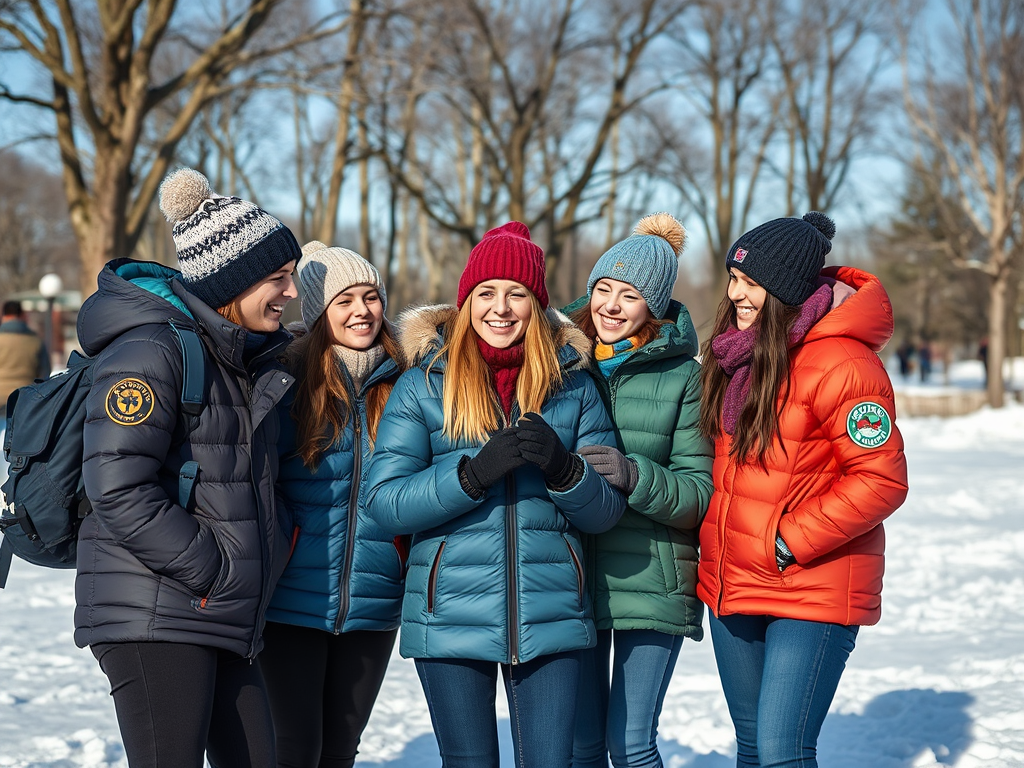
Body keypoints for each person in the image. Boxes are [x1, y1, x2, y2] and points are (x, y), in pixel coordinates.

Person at [365, 222, 626, 768]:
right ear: (466, 302)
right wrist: (470, 476)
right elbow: (384, 501)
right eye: (486, 293)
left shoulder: (573, 387)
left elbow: (605, 511)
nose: (501, 308)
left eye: (517, 294)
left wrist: (564, 469)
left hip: (552, 610)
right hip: (448, 612)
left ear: (537, 305)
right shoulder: (423, 385)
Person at [75, 168, 301, 768]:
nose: (292, 293)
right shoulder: (152, 350)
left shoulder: (238, 358)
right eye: (279, 278)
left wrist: (266, 552)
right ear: (236, 280)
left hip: (217, 609)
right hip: (157, 609)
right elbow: (116, 484)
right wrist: (213, 570)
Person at [697, 211, 909, 768]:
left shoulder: (843, 361)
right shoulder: (736, 357)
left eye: (750, 283)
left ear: (787, 292)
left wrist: (786, 542)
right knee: (751, 749)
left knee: (781, 751)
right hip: (735, 582)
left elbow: (880, 478)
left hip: (808, 585)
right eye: (734, 278)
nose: (735, 294)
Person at [564, 213, 713, 768]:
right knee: (579, 748)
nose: (611, 305)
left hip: (650, 580)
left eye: (629, 295)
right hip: (572, 578)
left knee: (629, 746)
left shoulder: (684, 377)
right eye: (603, 289)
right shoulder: (564, 365)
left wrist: (634, 476)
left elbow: (700, 493)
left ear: (653, 305)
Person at [259, 240, 405, 768]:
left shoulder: (409, 382)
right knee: (296, 747)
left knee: (342, 748)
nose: (361, 311)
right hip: (294, 594)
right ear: (320, 312)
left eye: (370, 297)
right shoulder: (289, 381)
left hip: (375, 596)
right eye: (344, 301)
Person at [0, 299, 51, 416]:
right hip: (24, 400)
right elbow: (44, 375)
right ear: (21, 315)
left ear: (3, 315)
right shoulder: (36, 341)